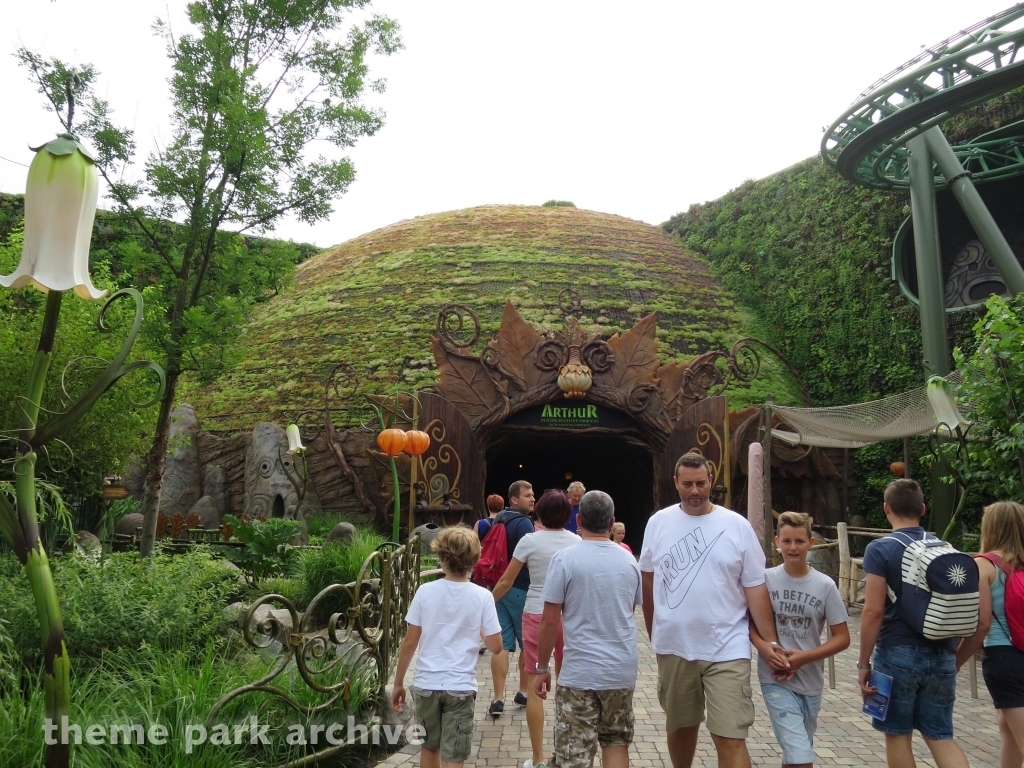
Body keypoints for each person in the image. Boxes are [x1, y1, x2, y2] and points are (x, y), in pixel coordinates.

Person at [640, 451, 787, 768]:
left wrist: (771, 643)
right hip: (675, 645)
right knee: (680, 727)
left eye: (701, 484)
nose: (695, 491)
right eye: (688, 484)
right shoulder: (658, 524)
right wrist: (655, 631)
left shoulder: (737, 526)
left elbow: (755, 588)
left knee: (731, 736)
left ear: (711, 482)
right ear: (675, 483)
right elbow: (648, 583)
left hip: (727, 646)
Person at [858, 479, 970, 768]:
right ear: (922, 508)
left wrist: (862, 664)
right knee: (940, 735)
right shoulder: (945, 547)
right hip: (943, 652)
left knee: (897, 735)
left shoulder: (880, 549)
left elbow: (872, 611)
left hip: (896, 653)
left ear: (886, 509)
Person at [535, 490, 642, 768]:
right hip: (620, 670)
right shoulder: (629, 561)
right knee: (616, 740)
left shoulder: (565, 559)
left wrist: (542, 666)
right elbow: (627, 612)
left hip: (580, 672)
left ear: (578, 519)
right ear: (612, 522)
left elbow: (549, 620)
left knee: (574, 753)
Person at [392, 527, 503, 768]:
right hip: (460, 687)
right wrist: (482, 631)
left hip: (426, 684)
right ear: (474, 561)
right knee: (454, 756)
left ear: (443, 559)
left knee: (429, 749)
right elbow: (496, 647)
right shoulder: (482, 597)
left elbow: (410, 642)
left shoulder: (425, 591)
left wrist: (399, 683)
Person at [752, 511, 850, 768]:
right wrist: (764, 647)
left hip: (810, 680)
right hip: (774, 680)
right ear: (776, 541)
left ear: (811, 543)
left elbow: (842, 638)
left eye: (799, 541)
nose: (792, 548)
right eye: (786, 541)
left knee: (798, 751)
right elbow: (748, 622)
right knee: (801, 756)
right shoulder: (765, 580)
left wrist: (805, 658)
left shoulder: (825, 585)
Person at [493, 489, 580, 768]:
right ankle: (567, 753)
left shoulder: (530, 541)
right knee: (568, 684)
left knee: (534, 685)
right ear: (568, 514)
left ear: (539, 512)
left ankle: (539, 759)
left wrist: (484, 602)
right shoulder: (577, 542)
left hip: (535, 614)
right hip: (567, 615)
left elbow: (507, 581)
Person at [956, 501, 1024, 768]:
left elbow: (981, 624)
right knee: (1006, 727)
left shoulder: (982, 566)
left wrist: (956, 660)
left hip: (1003, 658)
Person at [489, 480, 536, 717]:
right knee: (527, 643)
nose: (533, 498)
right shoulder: (524, 523)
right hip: (520, 589)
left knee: (502, 646)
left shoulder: (499, 519)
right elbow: (529, 557)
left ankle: (498, 698)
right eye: (528, 495)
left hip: (499, 589)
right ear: (514, 499)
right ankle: (523, 692)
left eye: (533, 495)